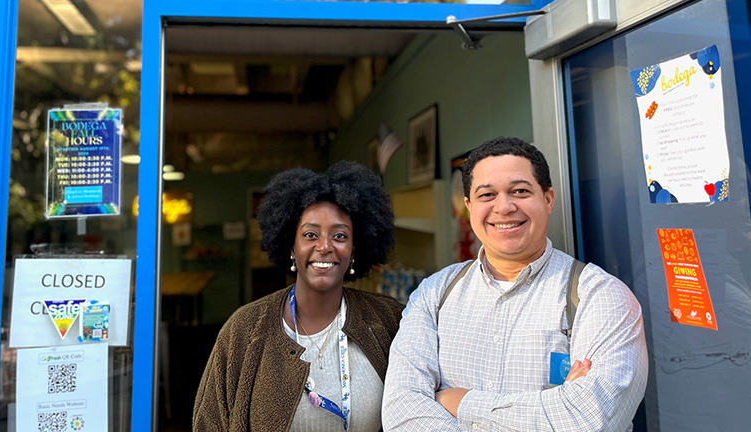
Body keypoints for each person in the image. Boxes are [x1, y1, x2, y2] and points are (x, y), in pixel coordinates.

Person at [382, 137, 648, 431]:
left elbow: (589, 420)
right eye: (487, 195)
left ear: (548, 199)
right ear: (469, 206)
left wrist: (459, 402)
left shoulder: (600, 297)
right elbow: (402, 412)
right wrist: (555, 406)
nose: (504, 207)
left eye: (520, 191)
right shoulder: (434, 294)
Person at [193, 161, 404, 432]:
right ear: (292, 246)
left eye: (339, 235)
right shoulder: (245, 329)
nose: (325, 246)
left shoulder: (389, 321)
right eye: (310, 234)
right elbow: (208, 423)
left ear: (354, 250)